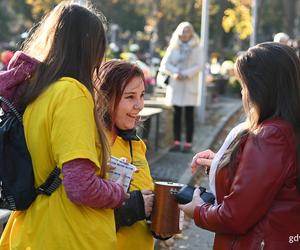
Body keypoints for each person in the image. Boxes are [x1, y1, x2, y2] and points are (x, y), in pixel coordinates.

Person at [0, 2, 127, 249]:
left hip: (34, 230)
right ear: (89, 49)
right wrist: (119, 193)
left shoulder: (37, 93)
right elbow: (80, 186)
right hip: (68, 234)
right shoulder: (72, 94)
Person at [179, 42, 300, 249]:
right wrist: (224, 163)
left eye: (244, 87)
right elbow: (271, 185)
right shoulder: (288, 128)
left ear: (261, 89)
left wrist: (198, 210)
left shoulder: (270, 136)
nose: (243, 94)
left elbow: (235, 215)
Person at [97, 59, 159, 249]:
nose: (139, 105)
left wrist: (160, 221)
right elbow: (82, 213)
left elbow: (144, 198)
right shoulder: (93, 143)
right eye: (130, 97)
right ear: (106, 97)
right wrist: (134, 207)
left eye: (141, 95)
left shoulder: (137, 144)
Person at [159, 22, 202, 153]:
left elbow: (199, 65)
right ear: (178, 33)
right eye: (183, 31)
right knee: (176, 115)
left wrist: (185, 73)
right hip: (176, 85)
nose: (185, 33)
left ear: (192, 33)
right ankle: (176, 142)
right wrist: (176, 72)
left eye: (187, 31)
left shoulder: (198, 48)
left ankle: (188, 143)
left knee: (189, 116)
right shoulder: (173, 47)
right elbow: (165, 64)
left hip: (190, 84)